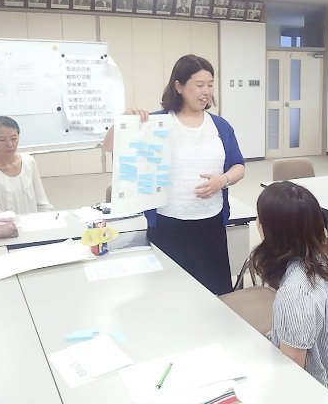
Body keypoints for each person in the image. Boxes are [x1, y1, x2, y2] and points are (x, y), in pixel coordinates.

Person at [103, 55, 245, 295]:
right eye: (199, 85)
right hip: (168, 224)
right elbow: (109, 146)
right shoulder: (157, 123)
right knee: (171, 293)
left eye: (210, 85)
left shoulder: (220, 126)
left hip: (211, 224)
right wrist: (124, 121)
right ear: (179, 86)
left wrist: (223, 180)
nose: (206, 91)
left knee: (215, 294)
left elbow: (238, 165)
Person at [250, 181, 328, 404]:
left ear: (269, 230)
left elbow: (292, 381)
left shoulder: (295, 294)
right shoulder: (316, 256)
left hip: (320, 394)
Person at [0, 116, 53, 217]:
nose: (10, 144)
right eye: (2, 140)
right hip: (2, 225)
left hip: (32, 224)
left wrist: (48, 220)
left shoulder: (29, 161)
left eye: (14, 138)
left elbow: (42, 203)